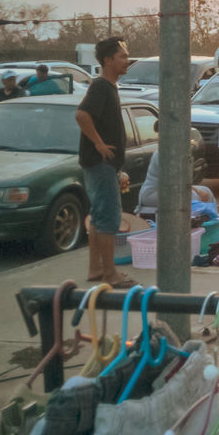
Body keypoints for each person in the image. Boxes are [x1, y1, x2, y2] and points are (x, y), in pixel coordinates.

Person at [75, 36, 135, 288]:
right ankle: (110, 273)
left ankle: (96, 269)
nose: (127, 60)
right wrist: (99, 143)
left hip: (104, 165)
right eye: (122, 56)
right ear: (108, 60)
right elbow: (81, 114)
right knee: (109, 218)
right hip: (100, 164)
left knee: (99, 217)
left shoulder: (109, 87)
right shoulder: (101, 87)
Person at [136, 121, 216, 216]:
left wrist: (198, 190)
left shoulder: (173, 150)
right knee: (196, 196)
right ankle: (198, 224)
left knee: (207, 191)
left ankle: (211, 223)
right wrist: (197, 191)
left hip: (168, 191)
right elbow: (173, 183)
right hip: (152, 194)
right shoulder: (163, 153)